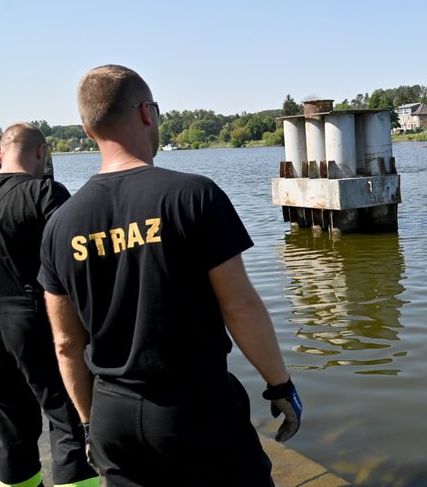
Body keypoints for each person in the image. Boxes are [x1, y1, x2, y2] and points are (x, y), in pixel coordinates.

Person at [39, 65, 302, 487]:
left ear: (88, 130)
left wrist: (90, 424)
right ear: (147, 113)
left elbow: (67, 343)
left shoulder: (60, 224)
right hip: (194, 408)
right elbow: (239, 306)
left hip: (112, 415)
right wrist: (279, 385)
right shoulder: (193, 196)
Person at [0, 123, 98, 487]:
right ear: (40, 154)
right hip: (35, 318)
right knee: (66, 418)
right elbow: (76, 265)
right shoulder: (46, 193)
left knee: (9, 424)